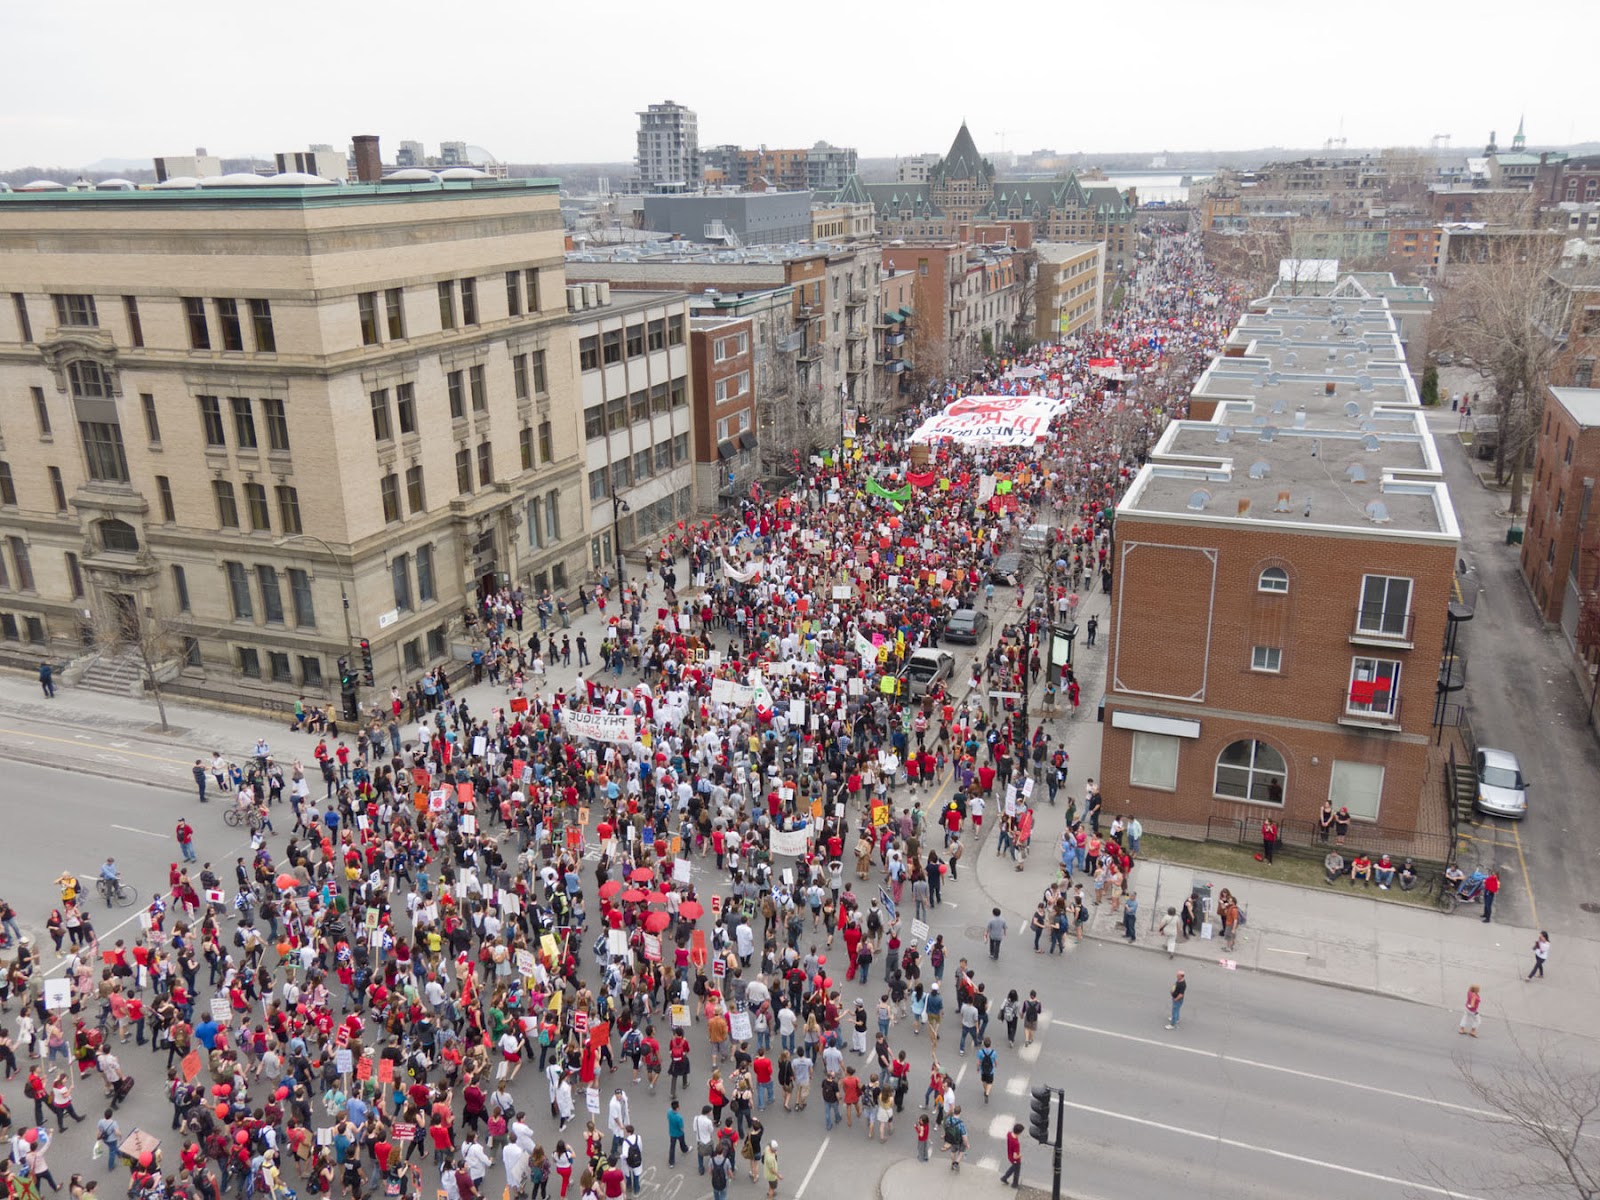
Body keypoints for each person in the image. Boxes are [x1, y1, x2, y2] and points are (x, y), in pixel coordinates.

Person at [942, 1104, 968, 1172]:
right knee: (961, 1152)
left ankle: (953, 1162)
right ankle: (956, 1163)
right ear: (960, 1112)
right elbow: (964, 1136)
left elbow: (946, 1127)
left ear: (954, 1111)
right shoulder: (961, 1124)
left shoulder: (948, 1120)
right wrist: (966, 1144)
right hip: (959, 1141)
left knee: (953, 1151)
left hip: (951, 1140)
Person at [1000, 1122, 1023, 1189]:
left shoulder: (1009, 1134)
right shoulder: (1016, 1143)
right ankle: (1014, 1184)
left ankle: (1004, 1178)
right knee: (1017, 1172)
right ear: (1019, 1132)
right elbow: (1015, 1156)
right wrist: (1020, 1155)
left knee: (1013, 1168)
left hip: (1009, 1156)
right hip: (1016, 1160)